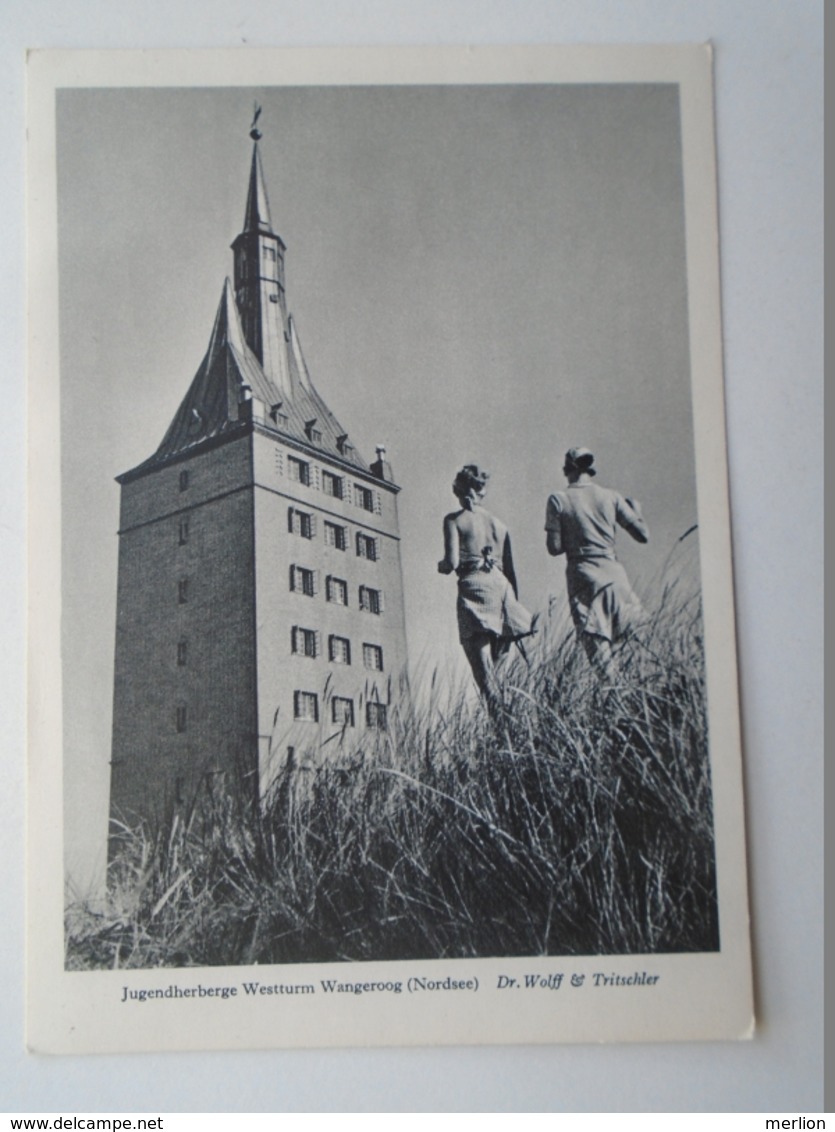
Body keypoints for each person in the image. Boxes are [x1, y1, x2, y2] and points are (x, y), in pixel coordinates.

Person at [545, 447, 648, 680]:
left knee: (603, 664)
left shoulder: (558, 499)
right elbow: (643, 535)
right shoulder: (611, 496)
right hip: (615, 575)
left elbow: (554, 548)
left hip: (583, 577)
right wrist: (637, 512)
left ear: (567, 469)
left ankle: (615, 703)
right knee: (633, 650)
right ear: (590, 468)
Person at [438, 465, 537, 700]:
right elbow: (511, 573)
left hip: (475, 589)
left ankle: (501, 730)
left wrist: (440, 566)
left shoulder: (454, 520)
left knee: (484, 678)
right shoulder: (500, 526)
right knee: (498, 675)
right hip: (503, 592)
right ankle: (507, 726)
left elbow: (451, 562)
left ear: (461, 491)